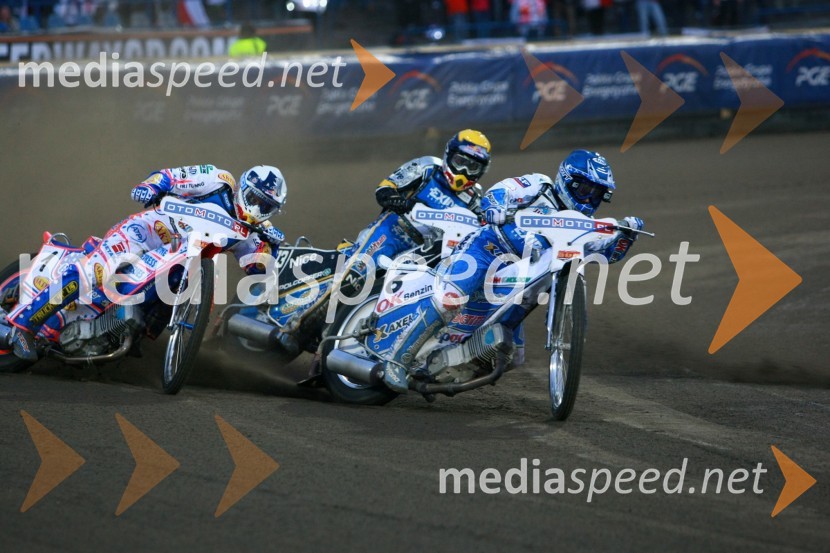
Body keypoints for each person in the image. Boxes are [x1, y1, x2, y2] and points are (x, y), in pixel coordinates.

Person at [378, 150, 645, 392]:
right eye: (585, 189)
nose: (589, 198)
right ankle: (396, 360)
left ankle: (441, 371)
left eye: (597, 194)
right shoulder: (540, 185)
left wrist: (625, 236)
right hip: (486, 250)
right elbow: (501, 190)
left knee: (513, 355)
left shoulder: (584, 225)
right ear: (568, 180)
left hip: (517, 279)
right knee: (449, 299)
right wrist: (495, 207)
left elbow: (605, 256)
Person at [8, 164, 287, 361]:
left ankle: (123, 335)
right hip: (144, 233)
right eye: (255, 199)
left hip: (180, 260)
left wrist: (271, 247)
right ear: (243, 187)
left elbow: (257, 270)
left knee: (170, 299)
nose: (258, 209)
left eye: (266, 207)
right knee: (97, 271)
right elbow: (171, 176)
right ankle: (23, 325)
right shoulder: (219, 180)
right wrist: (149, 186)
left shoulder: (255, 233)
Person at [275, 130, 492, 355]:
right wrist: (399, 201)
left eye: (473, 167)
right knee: (356, 274)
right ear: (449, 155)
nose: (464, 171)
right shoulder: (428, 168)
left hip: (424, 253)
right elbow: (385, 188)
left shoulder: (476, 201)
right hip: (392, 231)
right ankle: (295, 327)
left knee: (399, 298)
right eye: (460, 162)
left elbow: (477, 235)